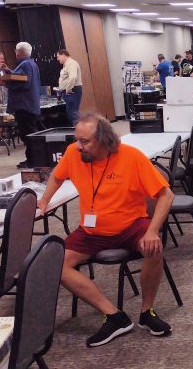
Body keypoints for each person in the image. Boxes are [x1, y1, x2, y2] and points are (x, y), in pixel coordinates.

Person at [35, 113, 175, 347]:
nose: (78, 146)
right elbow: (57, 177)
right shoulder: (73, 153)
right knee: (55, 263)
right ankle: (114, 316)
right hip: (91, 231)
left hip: (131, 225)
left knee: (154, 247)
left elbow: (166, 195)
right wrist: (43, 201)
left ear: (104, 139)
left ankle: (146, 312)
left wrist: (152, 230)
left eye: (85, 141)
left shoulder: (131, 157)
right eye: (77, 139)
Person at [0, 41, 43, 167]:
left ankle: (33, 161)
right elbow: (20, 77)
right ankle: (31, 159)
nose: (15, 52)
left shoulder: (25, 64)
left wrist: (5, 82)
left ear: (20, 52)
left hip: (24, 106)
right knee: (29, 134)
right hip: (29, 105)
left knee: (28, 135)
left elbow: (24, 82)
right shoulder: (30, 63)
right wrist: (9, 71)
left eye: (16, 50)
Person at [56, 48, 83, 125]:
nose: (57, 59)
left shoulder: (71, 63)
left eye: (58, 57)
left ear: (64, 55)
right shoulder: (66, 65)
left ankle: (78, 133)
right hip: (70, 92)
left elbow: (73, 77)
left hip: (72, 92)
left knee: (73, 115)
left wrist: (68, 89)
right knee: (71, 114)